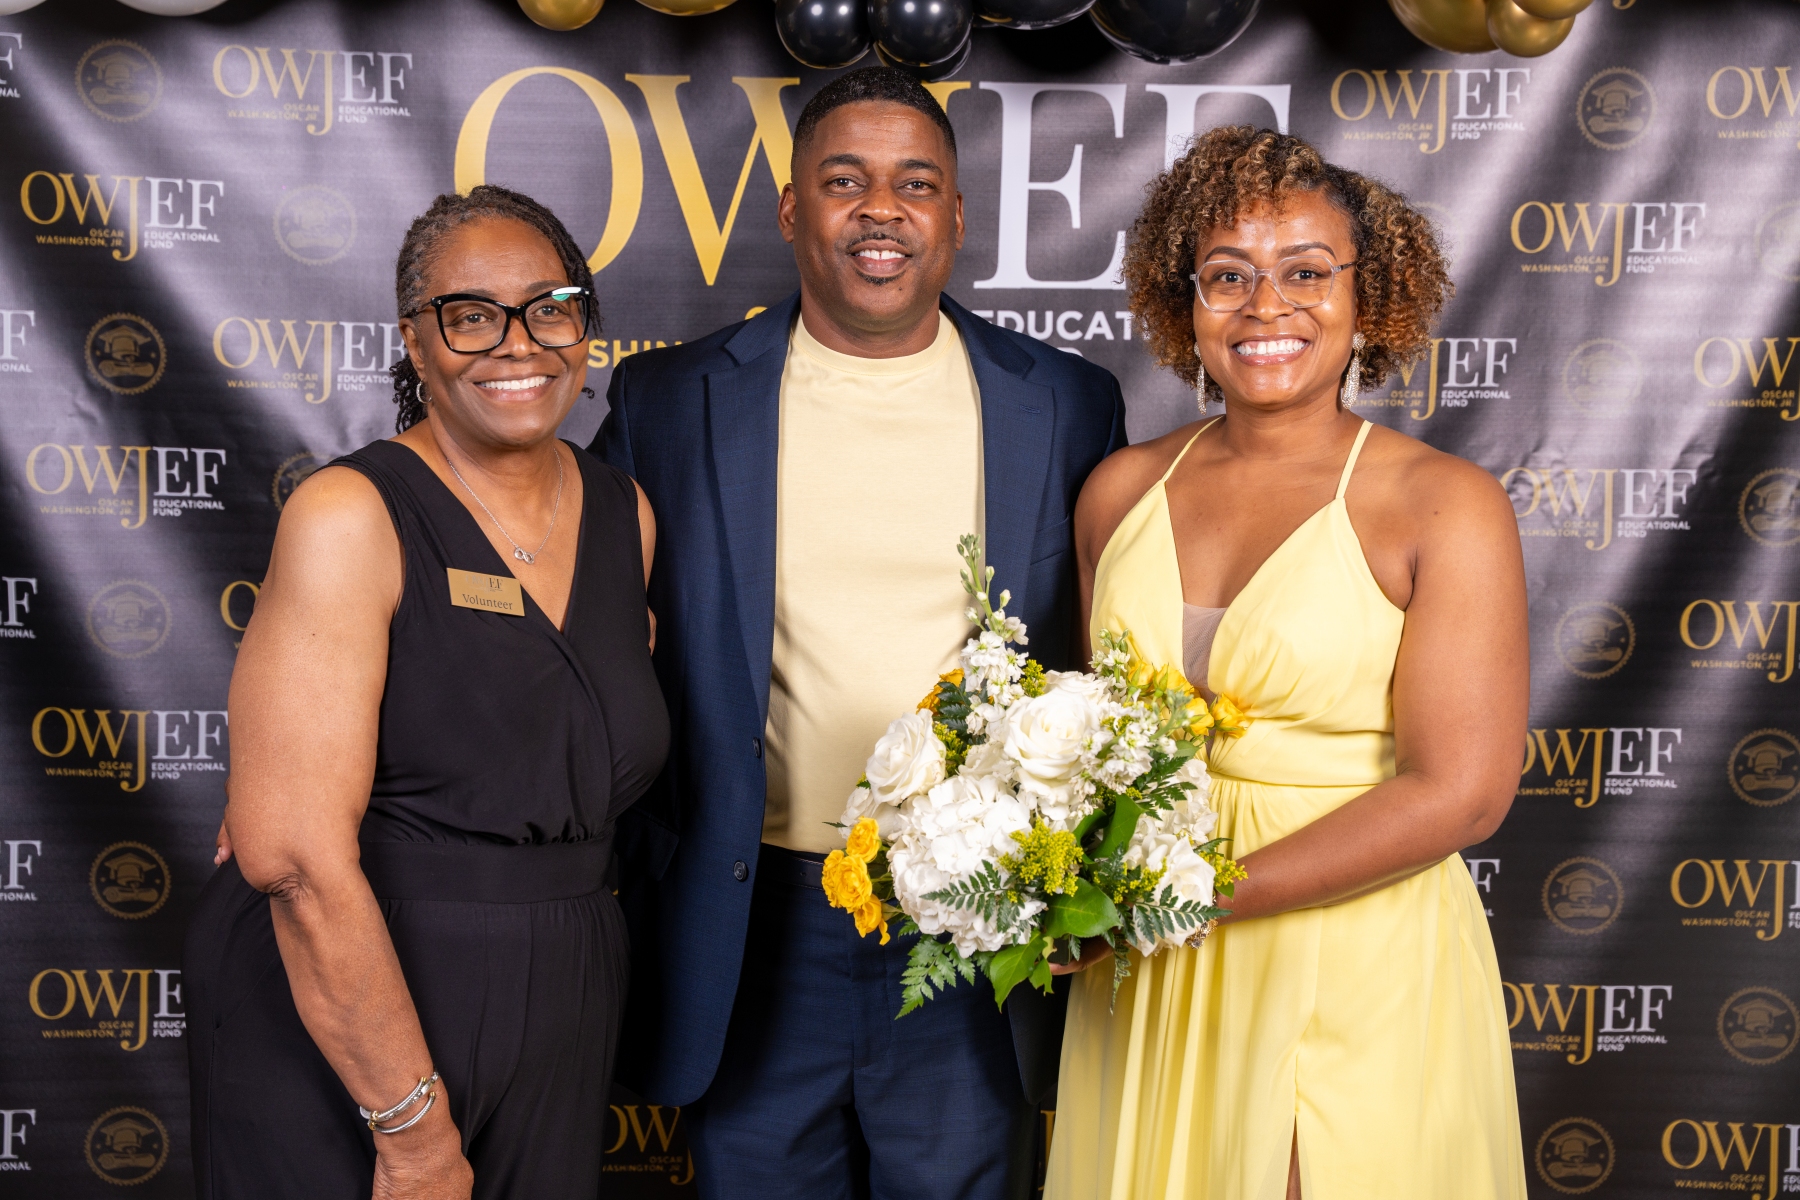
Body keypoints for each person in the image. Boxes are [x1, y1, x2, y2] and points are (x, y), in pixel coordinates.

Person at [592, 68, 1126, 1200]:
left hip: (975, 924)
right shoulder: (668, 402)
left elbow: (1110, 647)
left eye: (915, 184)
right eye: (845, 181)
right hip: (753, 923)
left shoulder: (1067, 403)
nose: (881, 209)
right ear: (793, 210)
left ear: (956, 217)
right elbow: (575, 625)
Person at [1044, 127, 1529, 1200]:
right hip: (1150, 966)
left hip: (1350, 953)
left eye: (1307, 273)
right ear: (1185, 304)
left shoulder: (1443, 505)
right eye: (1228, 277)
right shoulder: (1119, 492)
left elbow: (1463, 792)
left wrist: (1193, 897)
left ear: (1370, 294)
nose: (1266, 307)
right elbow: (1092, 748)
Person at [185, 185, 668, 1200]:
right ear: (415, 339)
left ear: (584, 325)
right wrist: (412, 1135)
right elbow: (294, 857)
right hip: (356, 1006)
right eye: (471, 315)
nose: (518, 343)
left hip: (566, 994)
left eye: (550, 307)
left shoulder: (625, 512)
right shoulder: (349, 514)